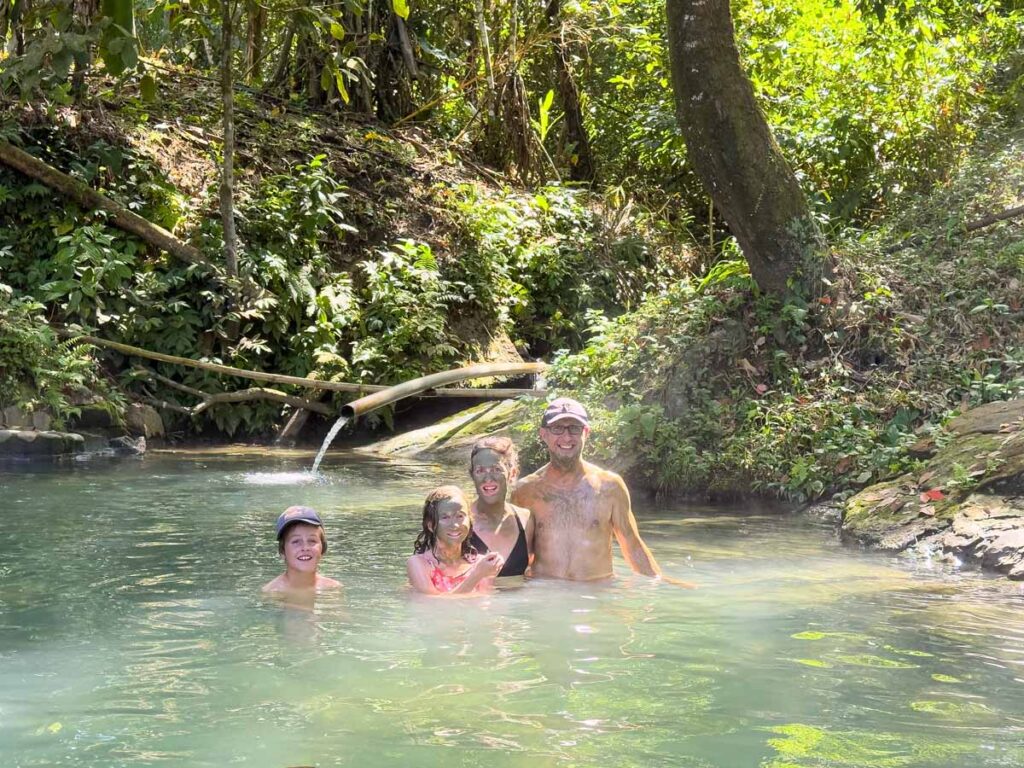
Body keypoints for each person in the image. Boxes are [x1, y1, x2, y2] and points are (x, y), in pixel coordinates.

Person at [513, 397, 689, 583]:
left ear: (586, 433)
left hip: (596, 595)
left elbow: (631, 544)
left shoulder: (610, 486)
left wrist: (661, 583)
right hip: (545, 594)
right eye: (557, 428)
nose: (566, 437)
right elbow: (517, 552)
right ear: (543, 434)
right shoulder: (525, 491)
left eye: (574, 428)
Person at [407, 485, 504, 596]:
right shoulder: (418, 563)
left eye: (460, 516)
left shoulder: (481, 564)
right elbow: (433, 604)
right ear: (431, 525)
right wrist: (477, 574)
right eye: (445, 517)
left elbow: (484, 604)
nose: (455, 525)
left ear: (470, 521)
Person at [467, 437, 534, 578]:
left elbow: (532, 573)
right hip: (472, 600)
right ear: (472, 476)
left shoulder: (525, 519)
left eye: (496, 469)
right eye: (480, 471)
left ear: (512, 474)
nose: (488, 478)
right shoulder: (460, 522)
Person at [262, 506, 342, 594]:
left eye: (312, 540)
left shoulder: (332, 589)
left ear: (323, 548)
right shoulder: (272, 592)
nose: (305, 548)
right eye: (296, 541)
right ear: (282, 551)